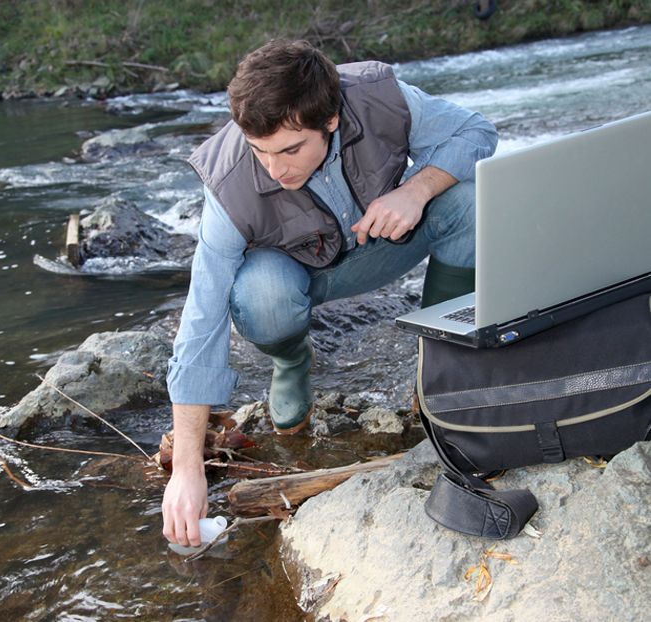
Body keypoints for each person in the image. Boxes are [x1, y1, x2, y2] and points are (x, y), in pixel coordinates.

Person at [162, 39, 498, 546]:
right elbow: (202, 314)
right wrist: (186, 469)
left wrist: (415, 190)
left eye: (291, 150)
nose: (275, 170)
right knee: (261, 296)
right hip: (294, 276)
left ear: (331, 120)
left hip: (381, 243)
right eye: (261, 152)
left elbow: (477, 131)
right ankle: (293, 363)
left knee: (471, 202)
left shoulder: (382, 97)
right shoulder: (228, 182)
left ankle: (441, 366)